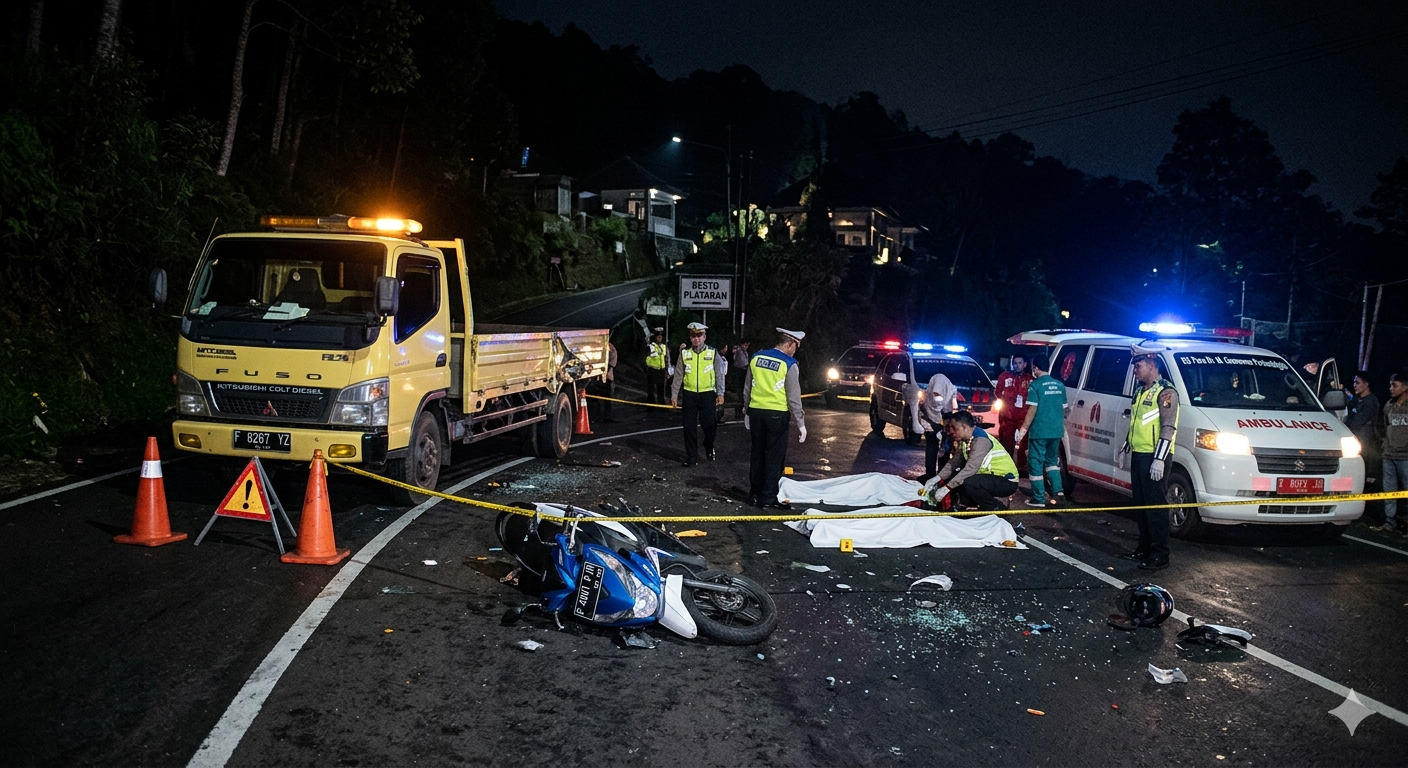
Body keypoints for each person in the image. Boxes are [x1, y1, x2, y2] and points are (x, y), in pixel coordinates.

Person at [1116, 343, 1180, 570]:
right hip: (1140, 455)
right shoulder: (1141, 391)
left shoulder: (1166, 392)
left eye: (1138, 365)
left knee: (1155, 508)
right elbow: (1135, 425)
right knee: (1141, 507)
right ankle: (1143, 549)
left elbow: (1168, 427)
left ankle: (1160, 554)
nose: (1135, 369)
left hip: (1155, 458)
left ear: (1152, 364)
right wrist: (1126, 447)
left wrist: (1159, 459)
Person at [744, 328, 807, 508]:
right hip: (776, 415)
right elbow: (793, 398)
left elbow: (747, 387)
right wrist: (801, 424)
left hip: (756, 412)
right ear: (788, 344)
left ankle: (754, 495)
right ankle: (768, 498)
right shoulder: (789, 364)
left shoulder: (756, 357)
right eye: (795, 346)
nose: (795, 350)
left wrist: (746, 411)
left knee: (757, 454)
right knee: (774, 457)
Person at [923, 410, 1019, 511]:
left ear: (964, 427)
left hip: (1006, 481)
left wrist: (947, 488)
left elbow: (970, 469)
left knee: (968, 481)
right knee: (956, 477)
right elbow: (954, 463)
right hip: (991, 477)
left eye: (954, 428)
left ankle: (996, 508)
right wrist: (937, 478)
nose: (951, 431)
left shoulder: (981, 440)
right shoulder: (966, 440)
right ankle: (969, 504)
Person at [1015, 353, 1068, 507]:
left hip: (1039, 431)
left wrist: (1023, 430)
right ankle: (1058, 491)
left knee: (1035, 463)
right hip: (1057, 431)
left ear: (1035, 368)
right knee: (1052, 462)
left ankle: (1038, 498)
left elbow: (1032, 410)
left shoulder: (1035, 385)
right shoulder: (1060, 385)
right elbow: (1065, 410)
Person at [671, 322, 725, 466]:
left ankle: (708, 445)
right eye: (694, 336)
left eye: (699, 336)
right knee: (689, 427)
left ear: (704, 337)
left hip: (707, 394)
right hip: (689, 395)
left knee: (710, 426)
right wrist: (674, 395)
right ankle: (692, 458)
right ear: (690, 338)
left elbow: (720, 374)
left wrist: (720, 393)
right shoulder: (684, 353)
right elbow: (678, 375)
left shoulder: (713, 353)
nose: (697, 339)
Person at [1344, 371, 1381, 522]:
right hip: (1356, 443)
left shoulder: (1370, 402)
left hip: (1364, 444)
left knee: (1361, 477)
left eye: (1357, 382)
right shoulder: (1357, 400)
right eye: (1354, 382)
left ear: (1366, 385)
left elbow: (1356, 422)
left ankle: (1363, 511)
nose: (1354, 385)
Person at [995, 352, 1034, 475]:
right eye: (1015, 363)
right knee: (1006, 442)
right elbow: (997, 392)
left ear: (1025, 364)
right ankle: (1006, 466)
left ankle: (1021, 468)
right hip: (1007, 416)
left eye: (1020, 363)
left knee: (1024, 443)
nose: (1017, 366)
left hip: (1023, 417)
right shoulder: (1004, 376)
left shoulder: (1030, 379)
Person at [1380, 371, 1408, 533]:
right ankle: (1389, 522)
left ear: (1405, 388)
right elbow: (1386, 427)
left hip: (1406, 456)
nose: (1391, 388)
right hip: (1389, 455)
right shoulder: (1388, 405)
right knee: (1389, 491)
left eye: (1394, 385)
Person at [918, 372, 958, 482]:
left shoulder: (949, 390)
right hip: (931, 423)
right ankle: (930, 475)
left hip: (945, 421)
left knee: (945, 450)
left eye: (938, 394)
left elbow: (953, 407)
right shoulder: (930, 395)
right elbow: (928, 408)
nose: (937, 397)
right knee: (932, 446)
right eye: (935, 394)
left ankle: (941, 476)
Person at [589, 341, 618, 423]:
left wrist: (607, 370)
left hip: (607, 377)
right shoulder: (596, 347)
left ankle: (606, 416)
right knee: (595, 397)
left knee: (607, 398)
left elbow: (612, 361)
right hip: (596, 377)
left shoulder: (610, 347)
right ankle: (597, 416)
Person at [645, 327, 669, 405]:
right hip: (652, 370)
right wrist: (655, 353)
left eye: (661, 336)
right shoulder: (651, 346)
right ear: (655, 337)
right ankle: (651, 405)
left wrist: (667, 369)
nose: (660, 338)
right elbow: (647, 355)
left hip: (661, 370)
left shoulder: (664, 346)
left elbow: (665, 358)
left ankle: (661, 405)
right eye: (658, 336)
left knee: (661, 388)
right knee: (651, 389)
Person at [732, 340, 751, 416]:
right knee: (740, 389)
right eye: (745, 345)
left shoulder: (745, 352)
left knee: (743, 388)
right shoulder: (739, 351)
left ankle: (741, 406)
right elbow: (743, 363)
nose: (746, 347)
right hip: (740, 371)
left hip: (744, 371)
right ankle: (739, 407)